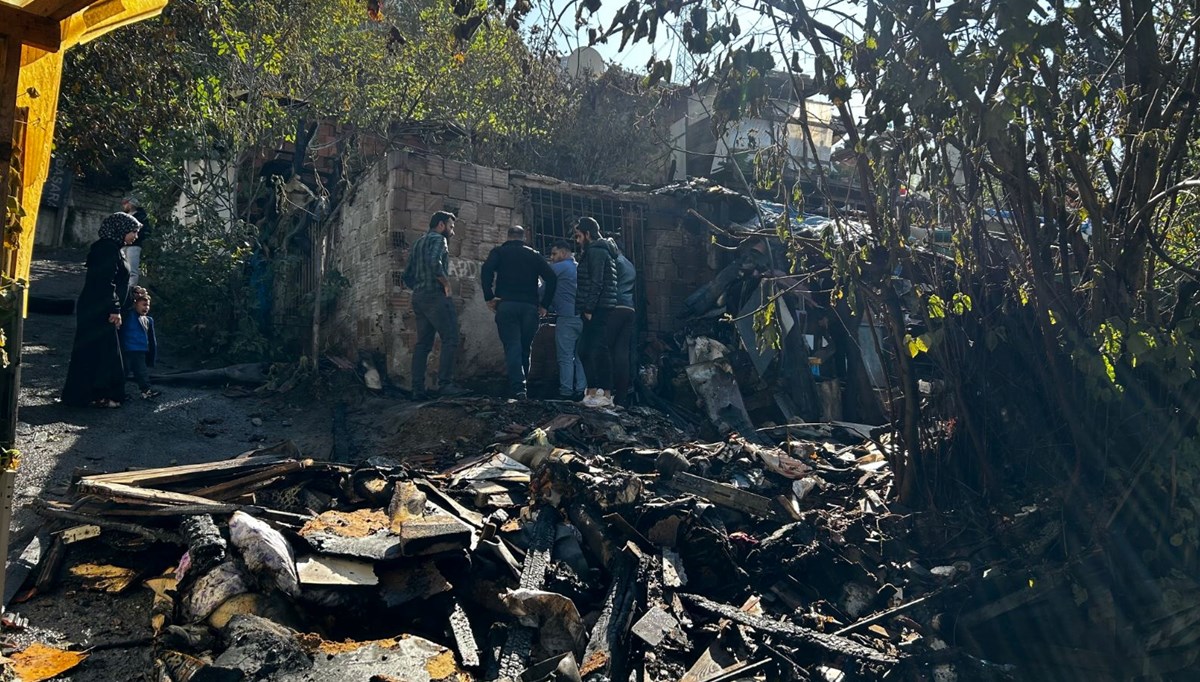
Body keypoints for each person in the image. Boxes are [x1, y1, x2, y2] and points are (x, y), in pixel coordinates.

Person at [61, 212, 141, 408]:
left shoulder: (114, 248)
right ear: (121, 229)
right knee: (103, 352)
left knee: (99, 351)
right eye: (133, 231)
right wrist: (114, 308)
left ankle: (92, 395)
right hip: (98, 309)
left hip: (99, 307)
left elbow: (117, 280)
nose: (135, 236)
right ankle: (100, 395)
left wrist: (130, 294)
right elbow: (104, 281)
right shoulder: (106, 249)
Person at [481, 226, 557, 399]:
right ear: (524, 238)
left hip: (506, 305)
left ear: (508, 236)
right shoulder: (534, 255)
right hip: (530, 307)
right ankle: (522, 388)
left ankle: (518, 388)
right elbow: (552, 278)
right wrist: (545, 304)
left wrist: (489, 296)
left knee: (512, 345)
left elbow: (486, 270)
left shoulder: (499, 252)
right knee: (525, 348)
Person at [402, 211, 466, 400]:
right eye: (451, 227)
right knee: (451, 338)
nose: (452, 232)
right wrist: (446, 284)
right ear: (441, 225)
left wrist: (419, 288)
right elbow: (434, 263)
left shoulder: (418, 243)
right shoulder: (439, 239)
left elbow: (406, 275)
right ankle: (445, 385)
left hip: (419, 297)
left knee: (423, 344)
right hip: (436, 297)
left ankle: (417, 390)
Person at [573, 217, 618, 407]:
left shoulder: (596, 251)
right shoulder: (596, 251)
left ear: (587, 234)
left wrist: (589, 308)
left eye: (578, 236)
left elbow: (597, 282)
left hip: (597, 308)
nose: (577, 241)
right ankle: (593, 391)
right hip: (596, 306)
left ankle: (605, 394)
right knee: (585, 349)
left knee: (597, 349)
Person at [549, 240, 586, 400]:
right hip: (583, 316)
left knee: (565, 357)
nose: (551, 258)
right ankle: (581, 389)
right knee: (580, 356)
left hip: (566, 316)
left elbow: (543, 288)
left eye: (554, 253)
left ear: (563, 253)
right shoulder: (579, 268)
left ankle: (566, 391)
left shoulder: (558, 268)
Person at [607, 242, 637, 406]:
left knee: (605, 349)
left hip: (615, 306)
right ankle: (622, 396)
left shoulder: (614, 262)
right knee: (622, 353)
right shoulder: (630, 265)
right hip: (628, 307)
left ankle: (607, 390)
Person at [121, 288, 160, 399]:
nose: (146, 307)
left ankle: (146, 391)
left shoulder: (148, 320)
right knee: (123, 373)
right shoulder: (128, 315)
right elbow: (126, 304)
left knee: (142, 372)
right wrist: (135, 294)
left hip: (140, 351)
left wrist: (151, 353)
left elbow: (151, 339)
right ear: (135, 304)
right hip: (126, 350)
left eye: (148, 305)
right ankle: (118, 393)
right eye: (144, 305)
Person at [121, 195, 150, 291]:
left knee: (132, 270)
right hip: (122, 245)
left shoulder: (141, 216)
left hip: (134, 246)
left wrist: (136, 238)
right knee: (122, 268)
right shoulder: (124, 216)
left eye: (125, 203)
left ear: (131, 204)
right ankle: (122, 290)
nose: (124, 205)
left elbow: (146, 231)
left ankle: (131, 292)